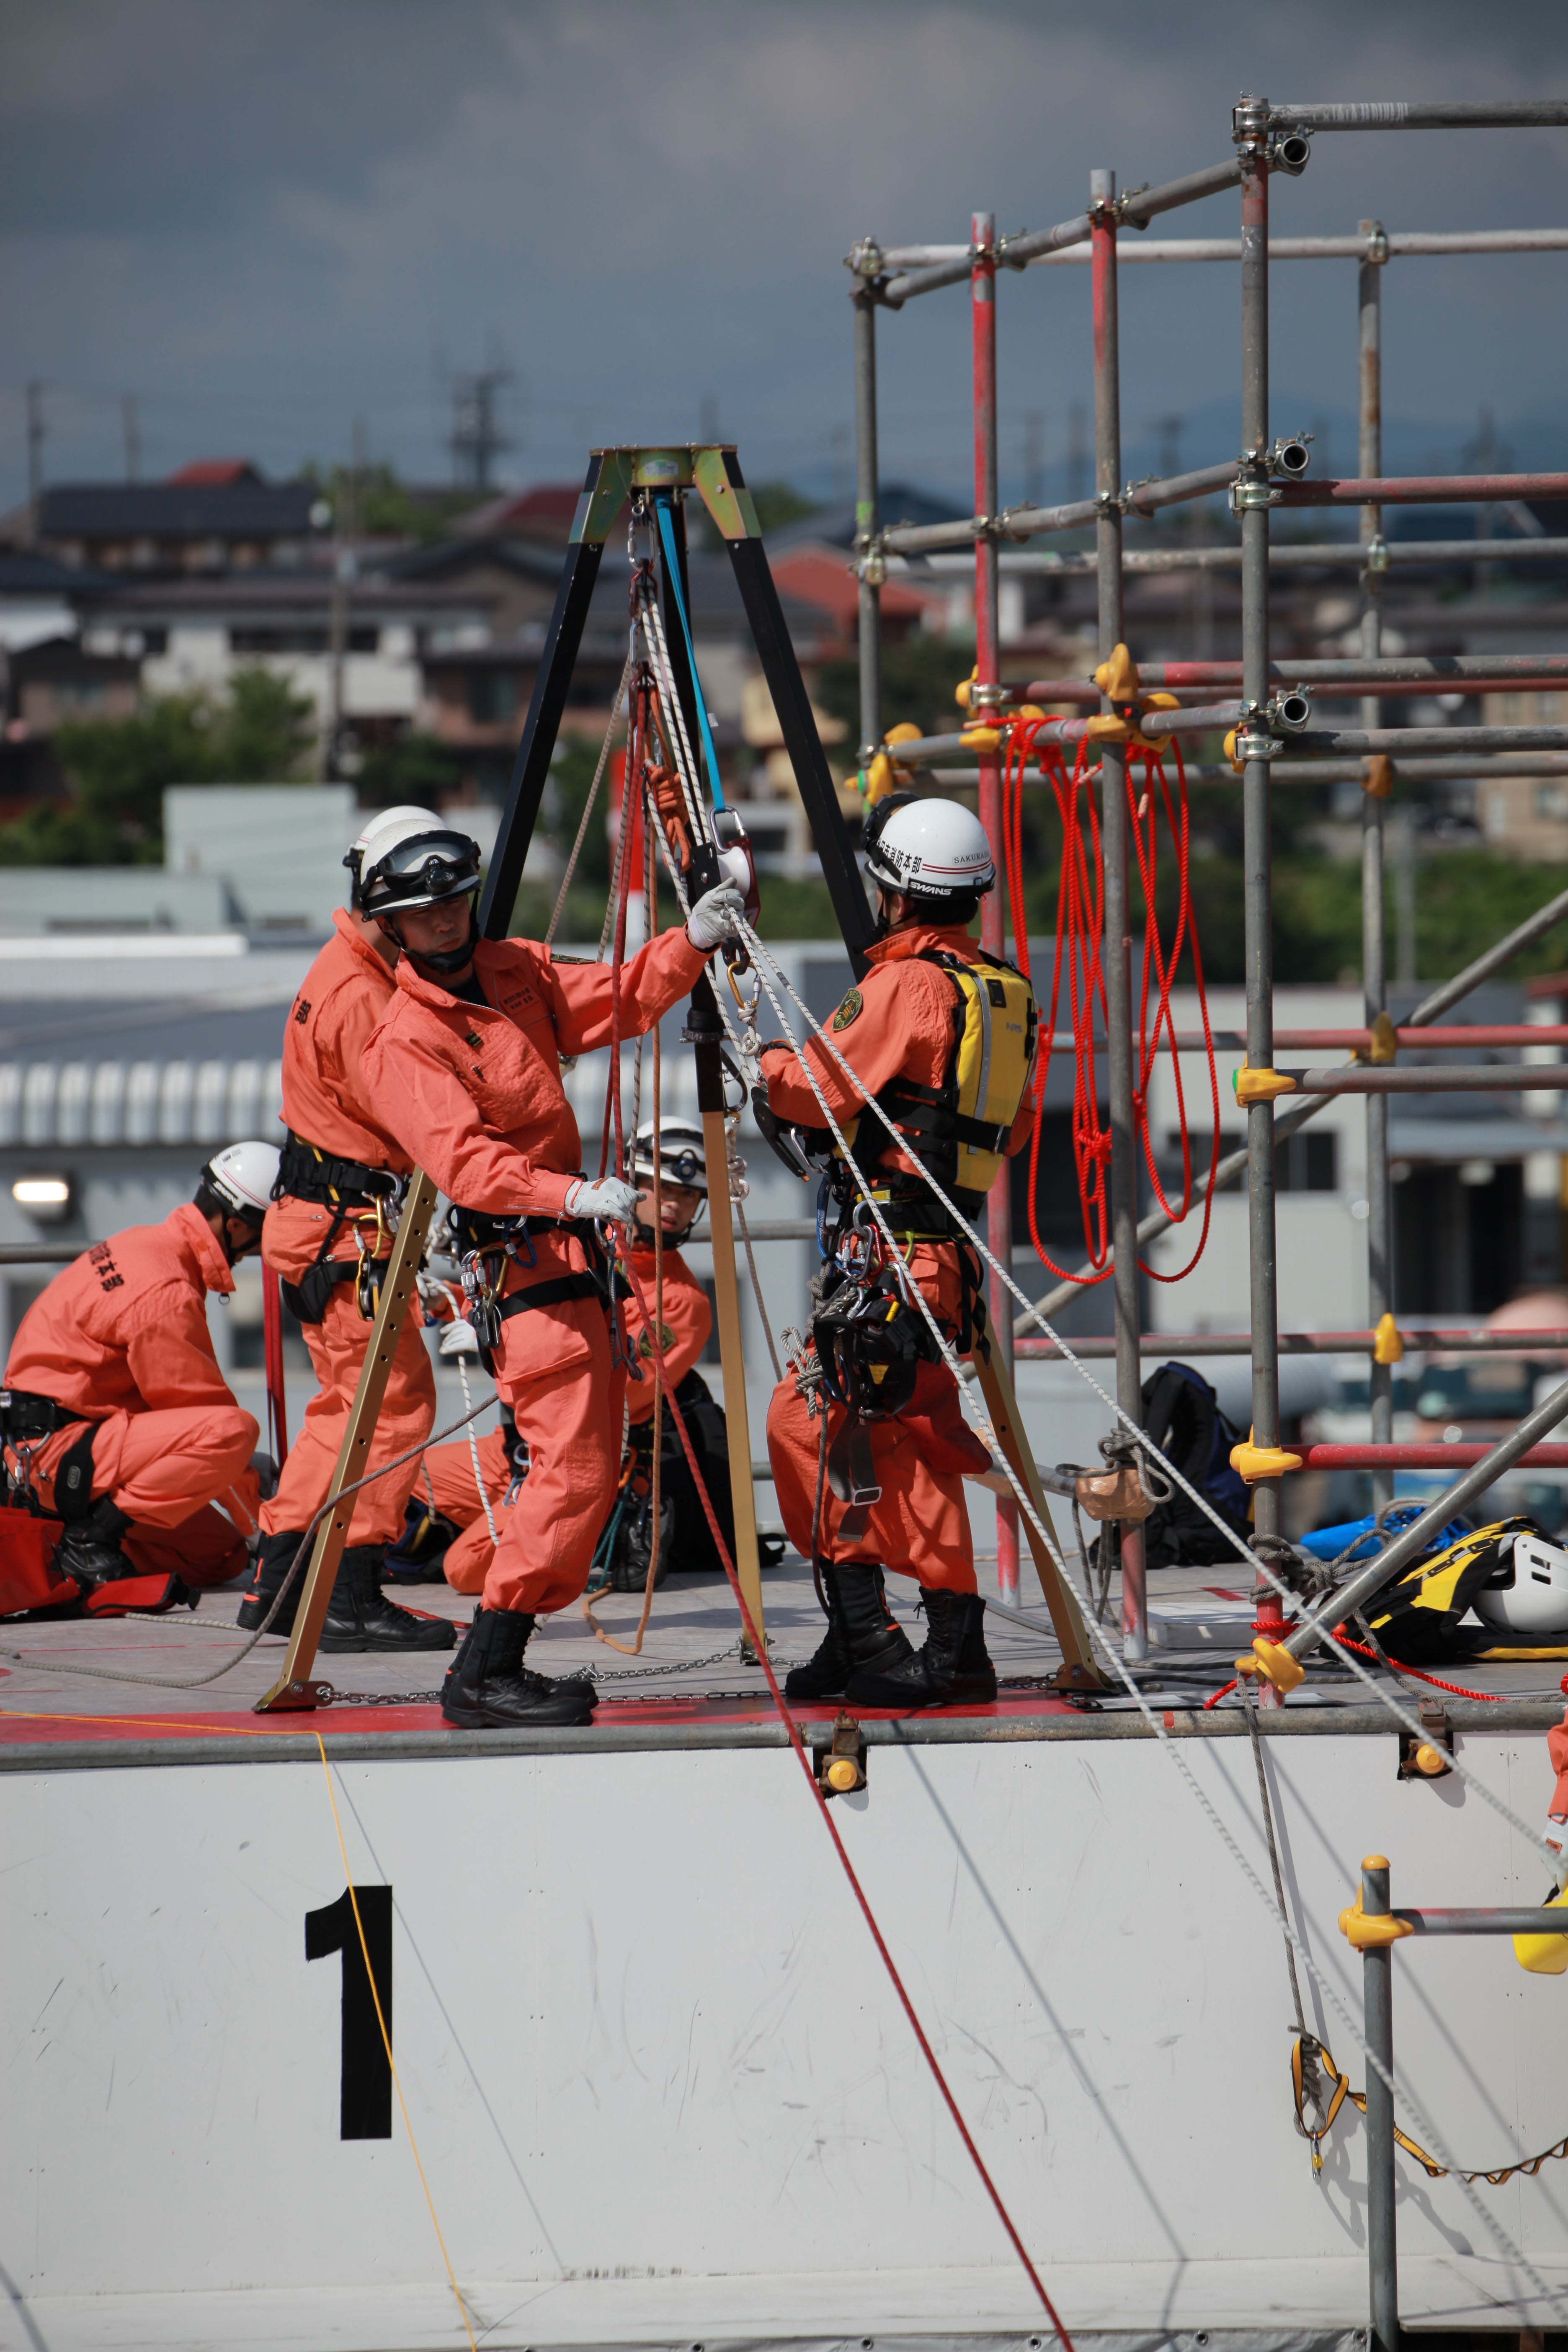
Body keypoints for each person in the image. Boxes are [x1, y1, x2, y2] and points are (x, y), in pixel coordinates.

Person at [358, 819, 744, 1727]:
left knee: (585, 1469)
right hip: (528, 1260)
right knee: (569, 1475)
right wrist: (572, 1197)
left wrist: (689, 943)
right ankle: (486, 1670)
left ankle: (494, 1660)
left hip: (575, 1263)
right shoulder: (405, 1041)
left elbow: (610, 999)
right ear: (394, 926)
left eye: (454, 902)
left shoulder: (513, 971)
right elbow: (466, 1164)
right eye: (425, 912)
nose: (446, 922)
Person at [758, 793, 1037, 1709]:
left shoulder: (907, 986)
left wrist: (765, 1065)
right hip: (937, 1257)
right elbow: (1008, 1125)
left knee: (808, 1429)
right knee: (901, 1443)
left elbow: (814, 1088)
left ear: (896, 895)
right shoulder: (1002, 994)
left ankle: (872, 1637)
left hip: (893, 1259)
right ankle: (935, 1646)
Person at [237, 806, 454, 1656]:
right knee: (390, 1406)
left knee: (342, 1409)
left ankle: (282, 1579)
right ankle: (350, 1589)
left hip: (326, 1220)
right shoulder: (364, 997)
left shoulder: (349, 967)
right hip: (344, 1227)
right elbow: (413, 1113)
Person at [390, 1119, 742, 1594]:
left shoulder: (679, 1302)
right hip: (515, 1443)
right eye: (661, 1188)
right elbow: (533, 1303)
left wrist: (506, 1341)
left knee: (466, 1569)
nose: (674, 1205)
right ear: (632, 1184)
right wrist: (444, 1299)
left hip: (576, 1451)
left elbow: (624, 1393)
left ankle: (538, 1527)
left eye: (689, 1195)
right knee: (396, 1480)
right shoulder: (588, 1247)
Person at [0, 1144, 279, 1597]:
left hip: (58, 1444)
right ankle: (89, 1541)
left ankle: (68, 1543)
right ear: (234, 1224)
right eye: (262, 1237)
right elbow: (203, 1414)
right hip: (60, 1452)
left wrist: (245, 1502)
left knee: (221, 1555)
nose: (259, 1252)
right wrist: (267, 1533)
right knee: (234, 1430)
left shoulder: (147, 1244)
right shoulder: (166, 1287)